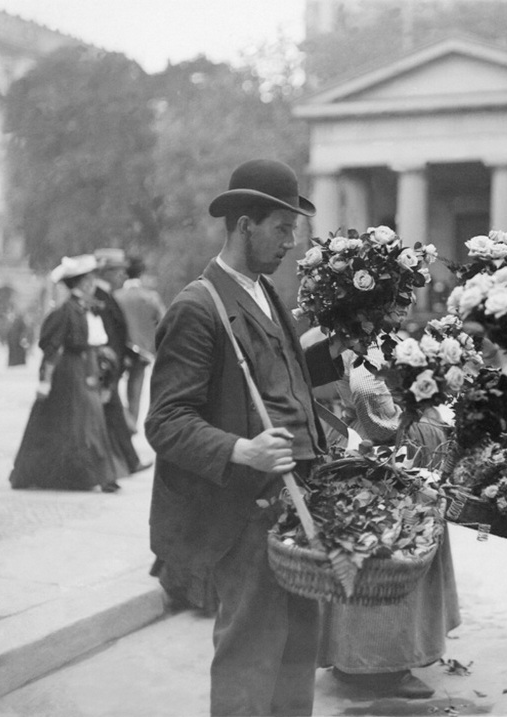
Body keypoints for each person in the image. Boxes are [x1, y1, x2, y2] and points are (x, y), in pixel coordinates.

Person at [145, 158, 344, 717]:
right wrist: (241, 449)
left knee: (298, 646)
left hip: (299, 500)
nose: (291, 243)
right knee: (251, 651)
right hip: (245, 508)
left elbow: (280, 380)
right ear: (243, 225)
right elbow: (165, 420)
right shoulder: (197, 307)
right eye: (282, 228)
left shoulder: (265, 293)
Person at [317, 311, 460, 700]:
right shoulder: (356, 352)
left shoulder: (356, 342)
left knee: (370, 552)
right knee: (386, 553)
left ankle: (355, 656)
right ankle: (379, 665)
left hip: (370, 450)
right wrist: (420, 412)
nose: (402, 308)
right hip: (376, 461)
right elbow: (378, 419)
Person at [9, 255, 122, 492]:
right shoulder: (65, 311)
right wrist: (45, 381)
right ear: (81, 283)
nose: (93, 284)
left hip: (85, 369)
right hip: (68, 373)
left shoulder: (85, 308)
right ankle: (93, 476)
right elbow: (52, 349)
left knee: (86, 422)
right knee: (76, 422)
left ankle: (93, 476)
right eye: (89, 279)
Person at [93, 248, 150, 474]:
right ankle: (127, 461)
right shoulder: (100, 298)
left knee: (113, 416)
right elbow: (104, 337)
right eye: (118, 271)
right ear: (105, 272)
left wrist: (132, 354)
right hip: (106, 369)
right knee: (113, 415)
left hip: (113, 367)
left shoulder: (108, 297)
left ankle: (124, 461)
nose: (123, 276)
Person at [115, 255, 166, 431]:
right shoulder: (151, 297)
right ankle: (132, 425)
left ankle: (122, 421)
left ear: (123, 274)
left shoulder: (115, 297)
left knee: (112, 389)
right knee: (135, 391)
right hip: (142, 352)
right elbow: (164, 324)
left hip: (118, 351)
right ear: (142, 273)